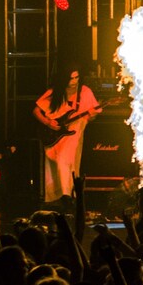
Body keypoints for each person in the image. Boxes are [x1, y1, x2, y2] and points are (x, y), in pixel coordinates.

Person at [33, 65, 102, 208]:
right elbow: (36, 111)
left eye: (77, 77)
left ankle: (67, 195)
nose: (74, 81)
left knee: (65, 160)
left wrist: (91, 116)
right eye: (71, 78)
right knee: (59, 162)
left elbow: (92, 115)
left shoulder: (85, 92)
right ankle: (59, 196)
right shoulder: (55, 92)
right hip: (55, 135)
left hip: (74, 134)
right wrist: (48, 122)